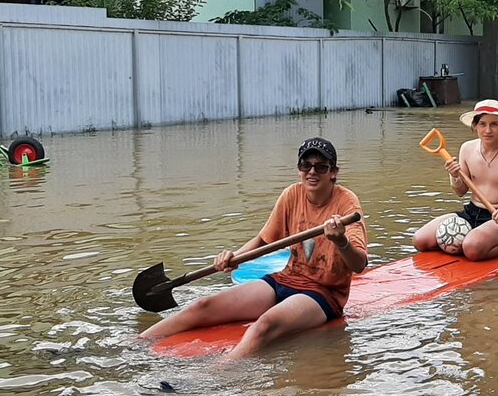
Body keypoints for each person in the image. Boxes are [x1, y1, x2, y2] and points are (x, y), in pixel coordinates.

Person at [139, 137, 367, 360]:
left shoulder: (347, 205)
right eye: (305, 165)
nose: (312, 172)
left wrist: (341, 241)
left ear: (333, 172)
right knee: (203, 305)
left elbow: (359, 264)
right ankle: (133, 345)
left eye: (321, 166)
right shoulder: (292, 194)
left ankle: (210, 378)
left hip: (322, 294)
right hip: (285, 280)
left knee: (263, 326)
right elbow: (263, 240)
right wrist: (235, 257)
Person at [413, 99, 498, 260]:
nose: (488, 130)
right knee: (420, 240)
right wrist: (454, 176)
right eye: (482, 124)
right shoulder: (467, 148)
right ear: (474, 126)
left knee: (471, 249)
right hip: (471, 212)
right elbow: (460, 192)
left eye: (494, 124)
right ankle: (473, 241)